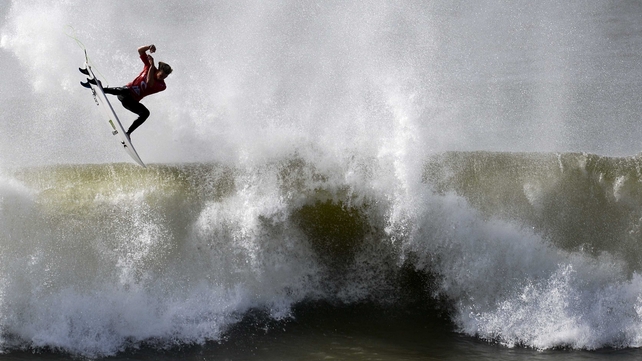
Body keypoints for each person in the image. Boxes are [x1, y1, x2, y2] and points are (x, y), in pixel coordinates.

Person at [82, 44, 172, 138]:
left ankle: (128, 133)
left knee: (145, 113)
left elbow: (150, 82)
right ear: (158, 70)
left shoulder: (162, 85)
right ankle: (99, 88)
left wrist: (152, 66)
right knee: (126, 90)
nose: (163, 78)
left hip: (131, 102)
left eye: (165, 76)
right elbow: (140, 50)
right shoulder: (149, 66)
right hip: (123, 94)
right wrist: (149, 47)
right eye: (161, 75)